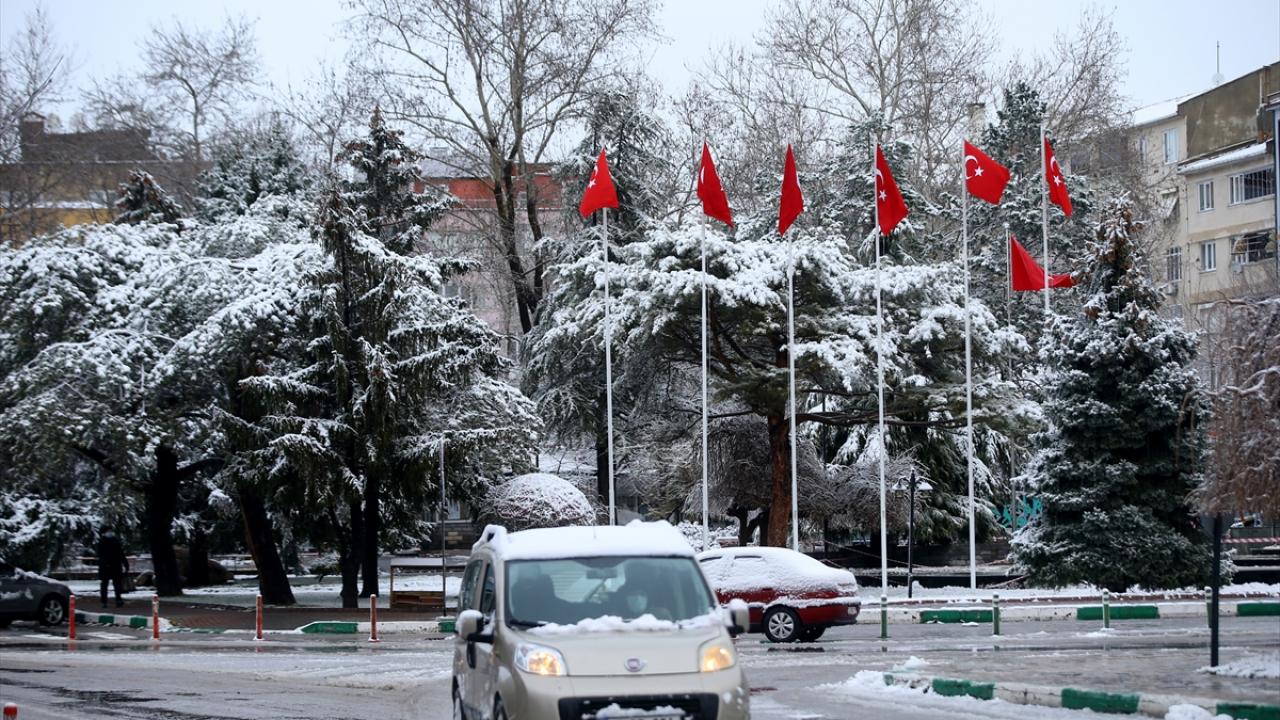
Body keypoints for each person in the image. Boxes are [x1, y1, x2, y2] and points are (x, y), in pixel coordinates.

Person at [97, 526, 130, 608]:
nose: (110, 533)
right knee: (104, 585)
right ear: (103, 533)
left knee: (117, 584)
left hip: (116, 566)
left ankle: (118, 599)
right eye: (108, 531)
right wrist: (105, 563)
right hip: (105, 567)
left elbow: (121, 553)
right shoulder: (101, 542)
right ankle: (104, 601)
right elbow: (100, 555)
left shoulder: (115, 541)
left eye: (111, 531)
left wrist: (125, 564)